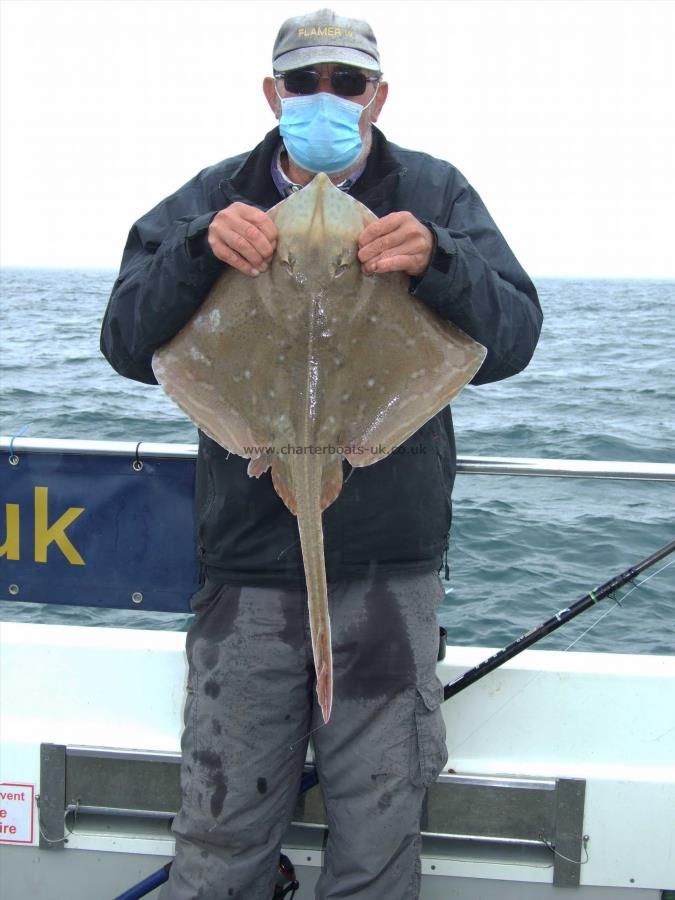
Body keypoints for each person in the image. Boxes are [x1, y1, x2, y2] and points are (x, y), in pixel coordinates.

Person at [100, 9, 542, 899]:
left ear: (377, 95)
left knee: (378, 832)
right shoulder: (212, 193)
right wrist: (198, 250)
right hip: (248, 566)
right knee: (222, 829)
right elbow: (125, 342)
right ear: (273, 93)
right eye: (305, 82)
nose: (326, 98)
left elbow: (513, 340)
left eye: (348, 83)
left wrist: (438, 259)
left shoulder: (433, 190)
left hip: (387, 568)